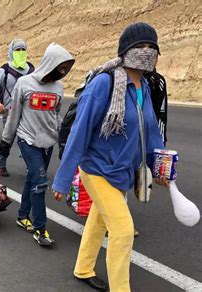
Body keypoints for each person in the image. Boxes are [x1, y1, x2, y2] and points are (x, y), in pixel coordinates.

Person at [51, 22, 169, 291]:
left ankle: (82, 268)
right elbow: (79, 132)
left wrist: (160, 166)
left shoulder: (144, 88)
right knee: (124, 231)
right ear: (126, 50)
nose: (147, 52)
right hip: (96, 168)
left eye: (152, 47)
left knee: (98, 220)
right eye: (141, 46)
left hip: (122, 171)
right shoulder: (104, 84)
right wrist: (63, 178)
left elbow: (150, 130)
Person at [0, 43, 74, 246]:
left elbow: (56, 116)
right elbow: (14, 116)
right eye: (61, 67)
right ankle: (40, 229)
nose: (63, 72)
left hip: (48, 141)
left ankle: (22, 216)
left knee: (32, 178)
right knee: (40, 182)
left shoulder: (59, 87)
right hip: (27, 138)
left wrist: (63, 139)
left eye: (66, 68)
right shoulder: (24, 83)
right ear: (51, 63)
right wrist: (6, 141)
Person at [0, 38, 34, 177]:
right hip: (9, 112)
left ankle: (31, 167)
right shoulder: (4, 70)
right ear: (11, 52)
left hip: (27, 113)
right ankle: (0, 164)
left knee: (27, 140)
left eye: (23, 50)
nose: (20, 52)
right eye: (17, 50)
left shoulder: (31, 69)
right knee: (8, 139)